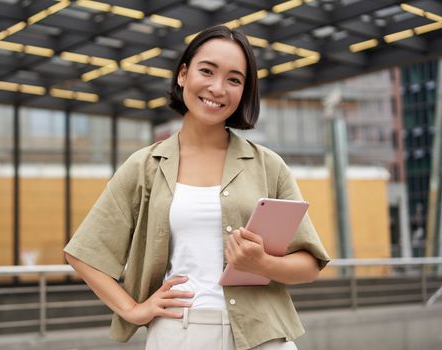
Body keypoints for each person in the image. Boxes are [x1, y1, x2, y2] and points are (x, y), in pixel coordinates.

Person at [64, 25, 330, 350]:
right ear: (183, 75)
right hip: (179, 333)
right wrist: (133, 309)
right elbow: (84, 253)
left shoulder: (268, 165)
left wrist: (262, 264)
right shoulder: (144, 166)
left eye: (234, 79)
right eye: (207, 71)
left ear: (244, 91)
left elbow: (308, 265)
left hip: (264, 335)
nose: (218, 88)